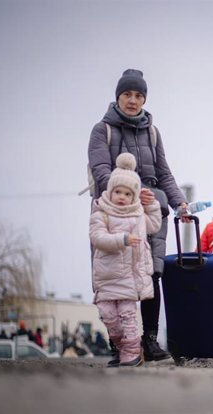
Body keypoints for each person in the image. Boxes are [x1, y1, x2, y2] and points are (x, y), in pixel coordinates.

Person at [88, 69, 189, 363]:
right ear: (118, 97)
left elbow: (164, 173)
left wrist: (180, 203)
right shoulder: (102, 130)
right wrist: (131, 192)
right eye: (127, 94)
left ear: (144, 98)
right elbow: (101, 171)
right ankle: (119, 344)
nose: (133, 100)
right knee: (112, 276)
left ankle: (149, 340)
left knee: (151, 273)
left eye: (138, 95)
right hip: (113, 211)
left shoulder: (152, 132)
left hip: (150, 209)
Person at [89, 153, 162, 367]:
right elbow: (97, 237)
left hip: (128, 278)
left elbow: (154, 224)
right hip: (107, 276)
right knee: (109, 317)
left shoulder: (138, 214)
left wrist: (151, 205)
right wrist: (122, 239)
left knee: (128, 316)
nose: (122, 197)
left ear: (134, 196)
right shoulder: (100, 213)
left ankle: (131, 353)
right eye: (118, 192)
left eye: (128, 193)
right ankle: (123, 347)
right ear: (110, 192)